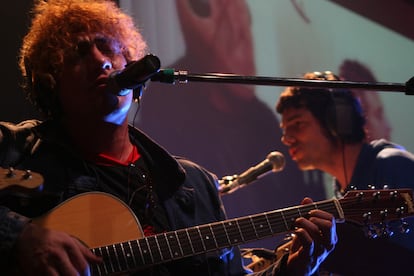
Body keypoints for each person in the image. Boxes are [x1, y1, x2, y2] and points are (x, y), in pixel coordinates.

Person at [0, 1, 337, 275]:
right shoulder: (15, 149)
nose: (101, 62)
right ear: (50, 82)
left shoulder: (192, 184)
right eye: (78, 53)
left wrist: (293, 270)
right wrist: (21, 237)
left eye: (108, 48)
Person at [135, 0, 327, 252]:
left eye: (245, 21)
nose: (239, 35)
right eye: (207, 12)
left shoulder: (263, 120)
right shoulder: (166, 101)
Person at [276, 71, 414, 275]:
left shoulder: (392, 164)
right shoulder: (340, 195)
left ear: (338, 122)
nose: (287, 139)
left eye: (297, 124)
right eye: (285, 130)